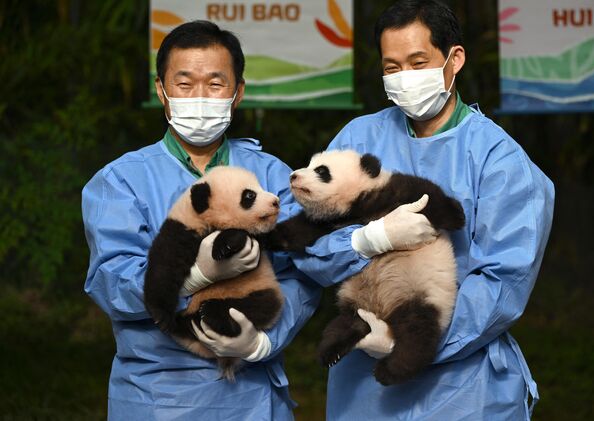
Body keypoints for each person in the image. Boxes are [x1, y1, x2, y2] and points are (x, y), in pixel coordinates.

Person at [291, 1, 555, 419]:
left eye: (418, 62)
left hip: (465, 388)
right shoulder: (358, 139)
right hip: (365, 388)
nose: (405, 78)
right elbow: (305, 244)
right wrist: (364, 241)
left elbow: (503, 283)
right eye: (392, 67)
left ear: (455, 59)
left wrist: (408, 343)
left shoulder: (499, 160)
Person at [81, 20, 323, 420]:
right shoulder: (121, 181)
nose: (199, 97)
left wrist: (263, 342)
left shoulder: (275, 176)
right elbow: (111, 281)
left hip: (253, 396)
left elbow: (304, 271)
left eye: (214, 84)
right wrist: (190, 276)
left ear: (237, 93)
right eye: (184, 83)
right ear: (161, 90)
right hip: (157, 396)